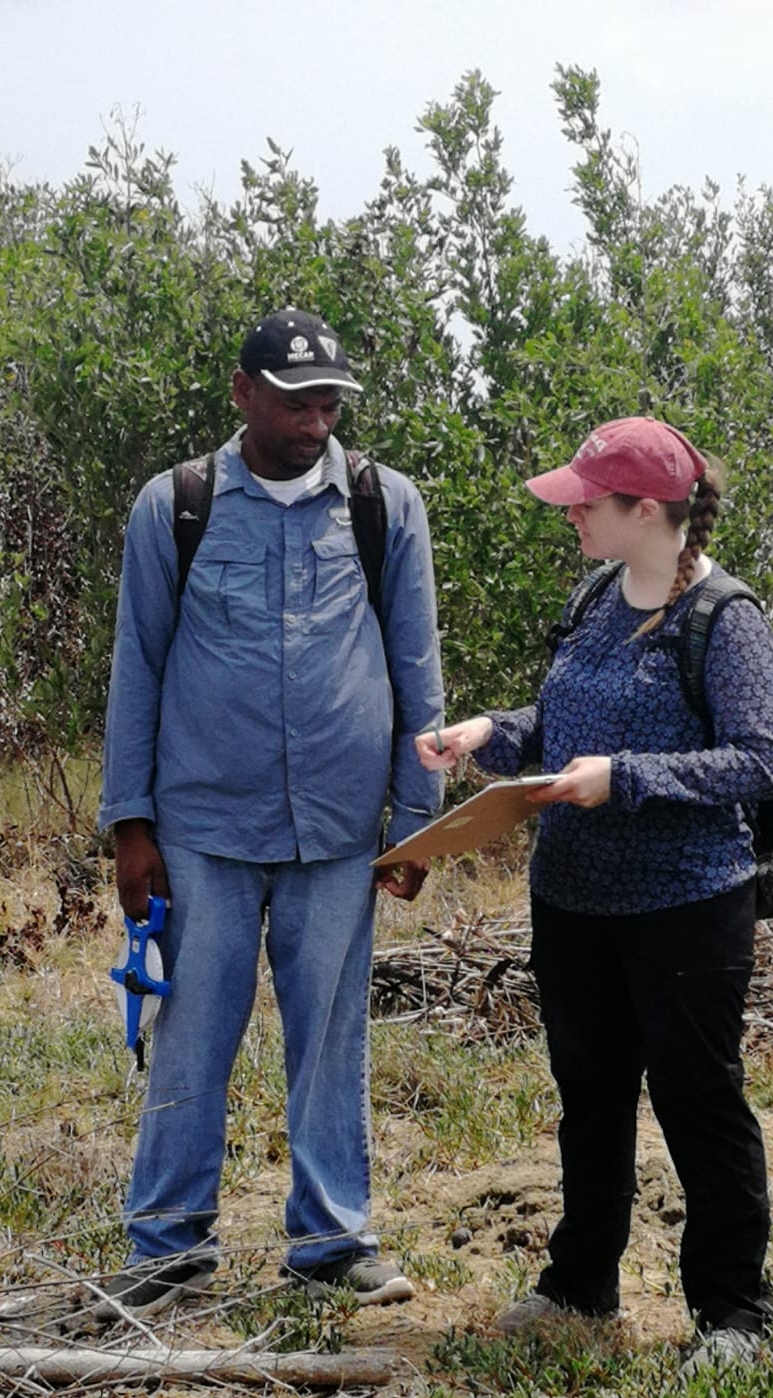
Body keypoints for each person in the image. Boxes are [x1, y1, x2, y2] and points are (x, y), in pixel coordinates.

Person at [415, 417, 773, 1371]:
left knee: (699, 1098)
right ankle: (582, 1286)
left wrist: (624, 777)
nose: (571, 512)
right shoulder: (593, 598)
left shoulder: (725, 620)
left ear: (648, 510)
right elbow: (561, 720)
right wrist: (486, 735)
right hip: (573, 902)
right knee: (590, 1096)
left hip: (686, 907)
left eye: (587, 500)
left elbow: (758, 762)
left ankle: (732, 1314)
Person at [96, 308, 444, 1319]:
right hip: (203, 827)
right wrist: (131, 825)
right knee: (192, 1029)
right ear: (244, 393)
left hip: (338, 830)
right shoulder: (177, 508)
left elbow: (416, 666)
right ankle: (166, 1247)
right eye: (296, 400)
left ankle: (332, 1242)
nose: (315, 418)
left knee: (332, 1036)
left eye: (330, 400)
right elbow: (138, 666)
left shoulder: (386, 507)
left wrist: (415, 817)